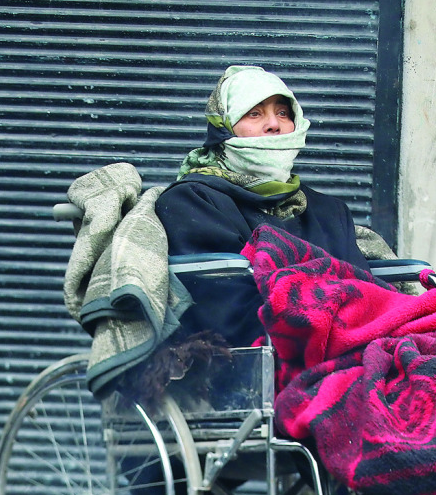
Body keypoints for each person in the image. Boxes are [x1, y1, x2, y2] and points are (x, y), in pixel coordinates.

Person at [154, 65, 372, 348]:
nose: (274, 124)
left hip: (351, 351)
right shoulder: (193, 202)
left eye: (283, 113)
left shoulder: (329, 212)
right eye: (254, 113)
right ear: (224, 127)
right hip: (252, 368)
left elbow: (368, 300)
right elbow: (226, 315)